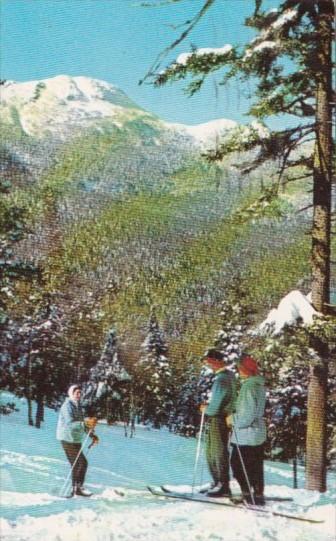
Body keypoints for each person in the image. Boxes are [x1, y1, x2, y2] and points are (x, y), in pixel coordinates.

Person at [227, 355, 266, 506]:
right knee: (255, 464)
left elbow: (246, 416)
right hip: (257, 432)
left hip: (247, 434)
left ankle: (247, 493)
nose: (238, 371)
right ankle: (257, 493)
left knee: (238, 463)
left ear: (245, 370)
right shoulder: (258, 385)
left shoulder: (249, 386)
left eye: (240, 368)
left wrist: (232, 419)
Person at [200, 349, 237, 497]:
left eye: (208, 361)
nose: (207, 364)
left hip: (218, 418)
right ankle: (218, 482)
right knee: (213, 451)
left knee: (216, 451)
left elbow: (215, 405)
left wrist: (206, 409)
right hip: (222, 417)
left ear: (216, 361)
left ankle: (222, 484)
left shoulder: (222, 379)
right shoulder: (227, 376)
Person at [56, 384, 99, 497]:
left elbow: (81, 424)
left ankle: (76, 488)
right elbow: (70, 424)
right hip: (67, 438)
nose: (79, 395)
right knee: (81, 463)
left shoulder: (78, 406)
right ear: (71, 393)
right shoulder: (67, 406)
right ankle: (77, 488)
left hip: (75, 439)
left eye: (80, 393)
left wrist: (92, 435)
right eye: (76, 393)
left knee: (78, 464)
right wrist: (85, 422)